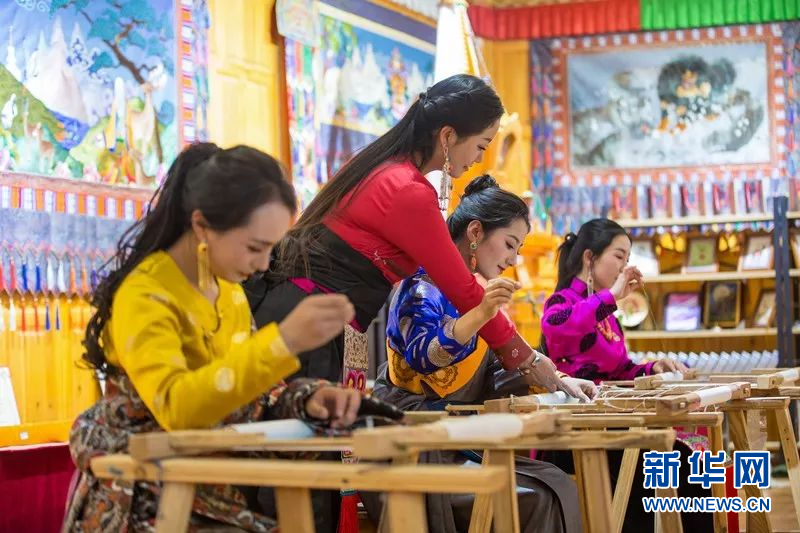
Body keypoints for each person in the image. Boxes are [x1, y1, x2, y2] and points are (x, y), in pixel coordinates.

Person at [64, 143, 364, 532]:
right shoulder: (145, 294)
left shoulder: (229, 293)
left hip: (206, 486)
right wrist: (283, 342)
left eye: (271, 249)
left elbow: (250, 393)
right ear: (202, 225)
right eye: (255, 247)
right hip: (143, 496)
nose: (264, 264)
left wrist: (309, 400)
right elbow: (178, 409)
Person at [246, 74, 580, 396]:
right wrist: (526, 358)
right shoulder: (407, 190)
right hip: (308, 321)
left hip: (316, 315)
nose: (479, 159)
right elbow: (463, 291)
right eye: (481, 146)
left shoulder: (385, 168)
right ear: (448, 136)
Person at [364, 175, 593, 533]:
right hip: (412, 444)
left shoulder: (475, 295)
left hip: (455, 439)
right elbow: (426, 356)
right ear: (475, 232)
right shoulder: (422, 286)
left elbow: (496, 370)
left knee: (554, 483)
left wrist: (559, 382)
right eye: (510, 244)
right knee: (534, 496)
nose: (513, 259)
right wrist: (482, 314)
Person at [539, 218, 711, 533]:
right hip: (572, 431)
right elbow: (559, 327)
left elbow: (619, 370)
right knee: (655, 463)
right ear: (589, 257)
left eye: (628, 258)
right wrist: (611, 296)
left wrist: (651, 368)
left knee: (688, 463)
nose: (624, 267)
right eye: (619, 256)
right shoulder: (562, 302)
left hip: (611, 424)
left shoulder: (607, 315)